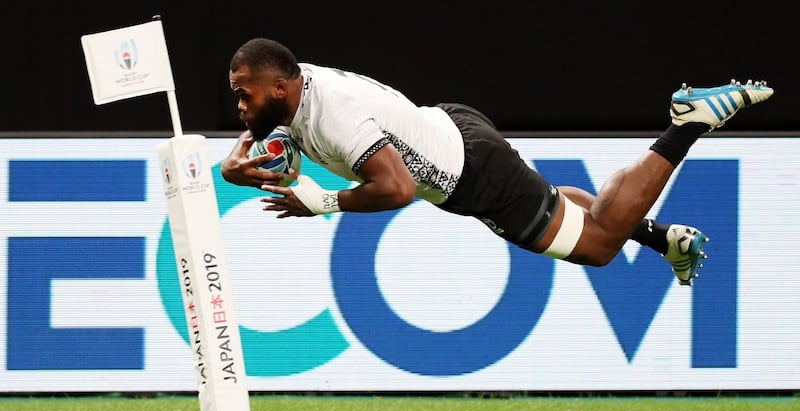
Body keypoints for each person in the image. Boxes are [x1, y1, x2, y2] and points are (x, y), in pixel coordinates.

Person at [221, 37, 774, 286]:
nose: (241, 105)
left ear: (279, 85)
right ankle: (661, 238)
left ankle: (687, 124)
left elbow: (397, 188)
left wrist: (320, 202)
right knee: (564, 208)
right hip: (455, 128)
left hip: (470, 174)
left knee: (600, 243)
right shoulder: (296, 89)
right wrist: (239, 167)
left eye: (246, 94)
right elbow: (290, 153)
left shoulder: (334, 112)